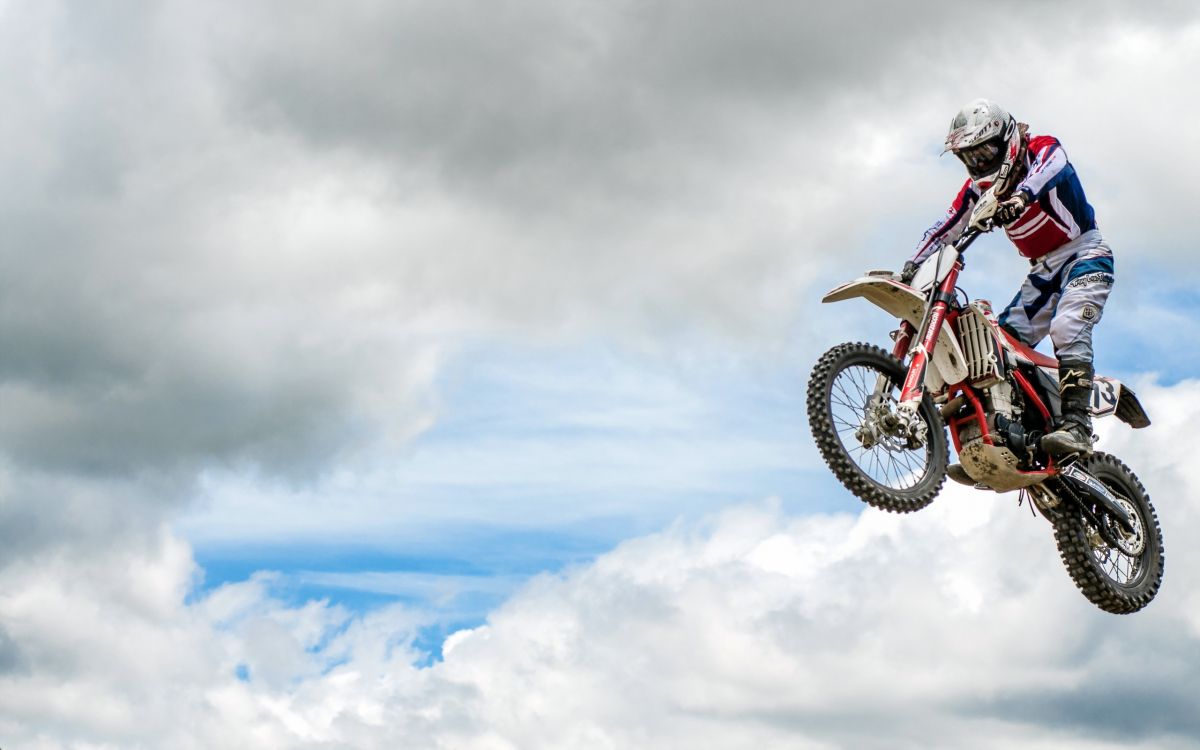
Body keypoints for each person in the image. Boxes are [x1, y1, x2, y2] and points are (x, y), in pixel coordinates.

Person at [902, 99, 1115, 476]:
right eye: (970, 155)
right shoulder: (975, 191)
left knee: (1065, 327)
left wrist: (1021, 198)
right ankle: (1012, 436)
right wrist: (911, 265)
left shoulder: (1041, 150)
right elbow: (946, 227)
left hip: (1085, 252)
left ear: (1005, 139)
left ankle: (1077, 427)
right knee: (998, 352)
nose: (980, 161)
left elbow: (1055, 167)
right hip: (1043, 272)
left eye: (985, 150)